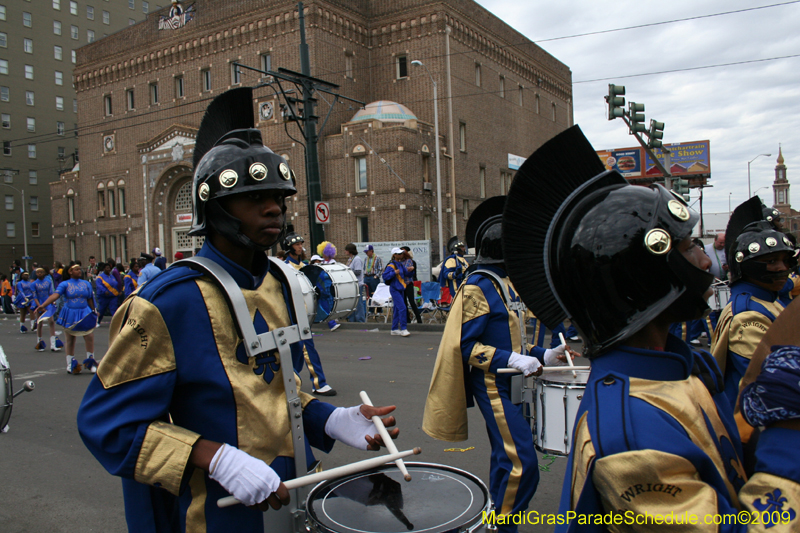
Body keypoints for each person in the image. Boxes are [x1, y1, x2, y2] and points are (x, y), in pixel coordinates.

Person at [76, 88, 398, 532]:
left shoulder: (280, 283)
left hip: (290, 500)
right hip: (211, 515)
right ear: (217, 207)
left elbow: (269, 393)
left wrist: (333, 419)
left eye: (279, 198)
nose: (274, 209)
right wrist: (213, 456)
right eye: (254, 198)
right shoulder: (168, 302)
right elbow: (106, 424)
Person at [502, 125, 800, 533]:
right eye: (689, 246)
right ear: (648, 274)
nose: (704, 261)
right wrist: (789, 434)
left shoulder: (677, 366)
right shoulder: (632, 433)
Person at [424, 196, 574, 533]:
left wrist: (542, 355)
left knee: (504, 458)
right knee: (523, 464)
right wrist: (515, 360)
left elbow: (514, 340)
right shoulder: (478, 286)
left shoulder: (505, 285)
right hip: (493, 385)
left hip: (512, 382)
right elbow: (468, 349)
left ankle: (495, 515)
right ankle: (501, 527)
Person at [711, 196, 795, 413]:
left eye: (785, 260)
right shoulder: (748, 315)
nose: (781, 268)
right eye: (770, 261)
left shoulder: (765, 298)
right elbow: (766, 383)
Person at [282, 230, 337, 397]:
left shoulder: (305, 267)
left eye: (300, 244)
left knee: (297, 352)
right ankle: (319, 383)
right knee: (307, 349)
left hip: (306, 314)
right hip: (294, 315)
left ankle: (289, 382)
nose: (300, 247)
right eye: (297, 245)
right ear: (289, 248)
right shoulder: (285, 268)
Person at [38, 262, 98, 374]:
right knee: (70, 339)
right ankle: (71, 364)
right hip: (70, 312)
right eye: (76, 269)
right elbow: (56, 295)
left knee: (89, 335)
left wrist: (94, 311)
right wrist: (44, 305)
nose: (79, 271)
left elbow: (90, 298)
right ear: (70, 272)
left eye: (80, 269)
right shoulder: (64, 284)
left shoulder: (86, 284)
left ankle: (90, 362)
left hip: (85, 312)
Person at [31, 267, 63, 352]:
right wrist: (39, 306)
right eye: (38, 273)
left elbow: (50, 294)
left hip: (47, 302)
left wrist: (52, 302)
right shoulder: (34, 284)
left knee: (51, 322)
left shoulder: (48, 282)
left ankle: (53, 344)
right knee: (39, 323)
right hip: (39, 303)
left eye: (41, 272)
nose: (39, 274)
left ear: (44, 273)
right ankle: (39, 342)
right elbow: (35, 297)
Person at [383, 248, 410, 336]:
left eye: (401, 253)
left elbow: (406, 273)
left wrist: (410, 269)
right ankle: (403, 328)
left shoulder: (400, 264)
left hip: (401, 289)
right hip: (395, 289)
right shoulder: (391, 265)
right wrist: (394, 273)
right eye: (399, 254)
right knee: (402, 308)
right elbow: (385, 276)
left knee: (398, 309)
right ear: (394, 255)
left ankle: (394, 328)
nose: (401, 255)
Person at [318, 241, 341, 332]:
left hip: (330, 286)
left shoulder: (333, 263)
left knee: (331, 302)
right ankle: (330, 320)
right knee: (325, 303)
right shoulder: (322, 262)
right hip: (322, 286)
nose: (323, 254)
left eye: (324, 252)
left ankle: (332, 320)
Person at [399, 246, 422, 324]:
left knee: (412, 302)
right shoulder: (398, 262)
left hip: (408, 284)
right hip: (401, 284)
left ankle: (419, 320)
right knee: (404, 302)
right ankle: (407, 320)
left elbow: (405, 271)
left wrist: (399, 270)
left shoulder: (409, 261)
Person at [345, 243, 366, 323]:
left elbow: (358, 271)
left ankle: (360, 320)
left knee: (358, 303)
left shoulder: (357, 259)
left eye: (346, 250)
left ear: (349, 251)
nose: (345, 252)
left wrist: (348, 272)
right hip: (352, 284)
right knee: (353, 303)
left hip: (358, 284)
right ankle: (352, 319)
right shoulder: (351, 259)